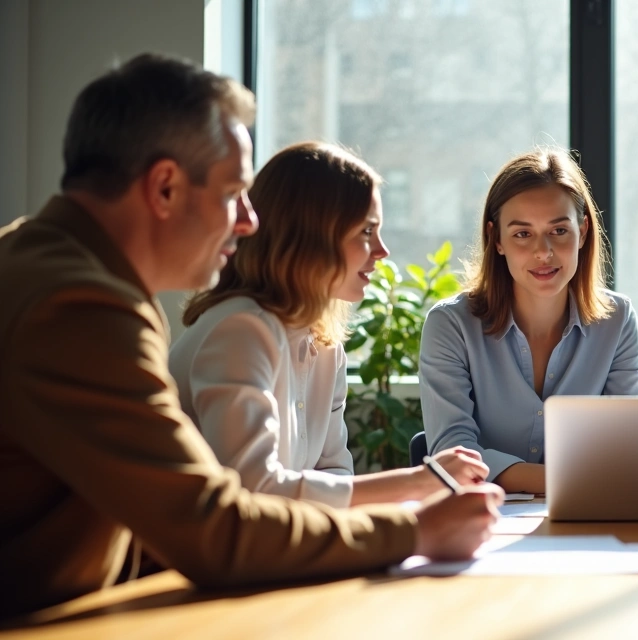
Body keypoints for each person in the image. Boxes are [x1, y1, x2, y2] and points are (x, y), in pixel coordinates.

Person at [0, 54, 501, 619]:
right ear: (164, 187)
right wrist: (412, 532)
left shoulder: (41, 264)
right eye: (233, 192)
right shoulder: (78, 307)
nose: (249, 221)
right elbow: (212, 527)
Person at [169, 142, 488, 508]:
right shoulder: (241, 329)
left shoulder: (324, 344)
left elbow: (334, 475)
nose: (382, 251)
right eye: (366, 232)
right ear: (311, 235)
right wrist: (417, 483)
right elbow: (252, 492)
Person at [419, 149, 638, 494]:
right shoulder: (450, 325)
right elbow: (454, 455)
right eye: (522, 234)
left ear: (582, 233)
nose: (543, 252)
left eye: (558, 230)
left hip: (589, 517)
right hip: (485, 522)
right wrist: (574, 483)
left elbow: (628, 447)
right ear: (497, 240)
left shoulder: (618, 321)